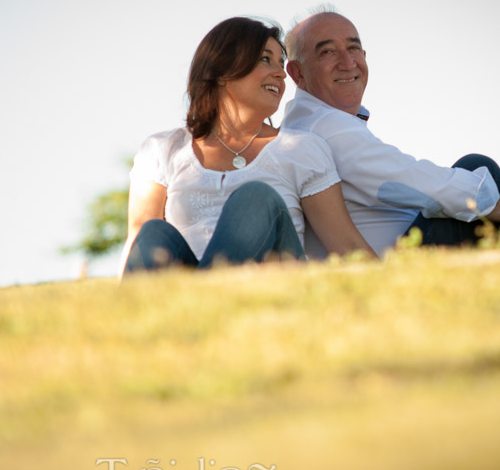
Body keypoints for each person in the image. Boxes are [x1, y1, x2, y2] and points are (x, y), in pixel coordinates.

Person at [120, 17, 376, 277]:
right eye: (265, 59)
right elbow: (136, 244)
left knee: (256, 198)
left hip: (274, 294)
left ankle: (208, 299)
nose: (279, 73)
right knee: (152, 231)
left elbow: (347, 245)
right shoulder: (163, 149)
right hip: (186, 292)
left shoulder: (301, 149)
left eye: (281, 63)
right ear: (222, 72)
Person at [281, 8, 500, 257]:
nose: (348, 62)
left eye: (353, 48)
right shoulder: (326, 127)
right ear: (297, 73)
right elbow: (409, 181)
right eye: (327, 52)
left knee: (475, 176)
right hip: (391, 266)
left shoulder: (309, 122)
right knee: (477, 166)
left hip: (402, 247)